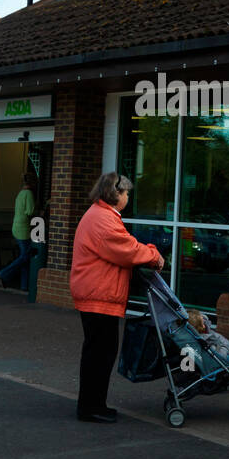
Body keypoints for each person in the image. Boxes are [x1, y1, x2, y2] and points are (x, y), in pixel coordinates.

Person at [70, 172, 163, 423]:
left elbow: (124, 246)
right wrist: (154, 255)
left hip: (97, 294)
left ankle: (93, 404)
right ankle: (91, 408)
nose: (128, 196)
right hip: (99, 296)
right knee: (100, 353)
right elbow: (126, 250)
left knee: (98, 352)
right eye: (126, 192)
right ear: (115, 193)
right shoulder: (103, 219)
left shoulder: (100, 215)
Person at [0, 173, 38, 291]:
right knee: (25, 256)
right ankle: (3, 273)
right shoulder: (29, 194)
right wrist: (40, 211)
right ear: (33, 183)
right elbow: (30, 212)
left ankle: (24, 286)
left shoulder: (20, 193)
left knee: (24, 257)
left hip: (16, 226)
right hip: (23, 228)